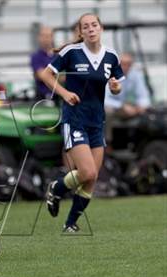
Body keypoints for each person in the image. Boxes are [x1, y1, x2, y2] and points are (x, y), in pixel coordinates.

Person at [40, 13, 124, 232]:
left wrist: (116, 88)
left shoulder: (111, 56)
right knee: (86, 172)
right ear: (81, 32)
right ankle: (56, 188)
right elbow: (46, 75)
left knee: (91, 179)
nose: (90, 29)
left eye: (94, 25)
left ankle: (70, 224)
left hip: (97, 122)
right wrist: (65, 93)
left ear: (101, 28)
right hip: (74, 119)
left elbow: (117, 86)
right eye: (85, 26)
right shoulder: (72, 52)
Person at [104, 53, 151, 146]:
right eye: (123, 64)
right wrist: (122, 106)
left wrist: (140, 106)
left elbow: (144, 96)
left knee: (149, 113)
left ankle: (141, 144)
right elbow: (104, 99)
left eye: (128, 64)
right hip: (115, 107)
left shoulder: (136, 75)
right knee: (107, 111)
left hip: (129, 107)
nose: (126, 67)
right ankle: (108, 143)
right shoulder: (109, 74)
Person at [31, 26, 55, 101]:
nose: (46, 39)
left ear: (52, 37)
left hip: (59, 97)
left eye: (48, 36)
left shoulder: (59, 55)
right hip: (41, 97)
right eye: (43, 36)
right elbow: (42, 76)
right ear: (39, 38)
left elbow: (65, 76)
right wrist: (57, 74)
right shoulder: (35, 57)